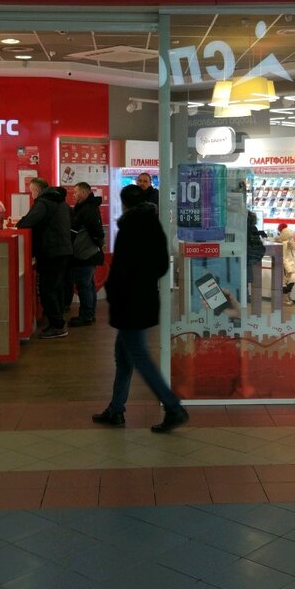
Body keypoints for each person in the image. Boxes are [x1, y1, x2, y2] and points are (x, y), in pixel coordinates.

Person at [93, 183, 189, 433]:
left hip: (129, 303)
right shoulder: (154, 225)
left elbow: (120, 269)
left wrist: (114, 291)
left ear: (124, 203)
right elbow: (162, 265)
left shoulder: (129, 228)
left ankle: (173, 407)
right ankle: (116, 409)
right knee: (124, 356)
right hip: (144, 299)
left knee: (139, 357)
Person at [17, 177, 72, 339]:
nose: (31, 195)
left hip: (50, 252)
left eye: (31, 192)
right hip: (63, 250)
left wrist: (20, 223)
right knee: (56, 288)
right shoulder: (61, 203)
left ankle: (57, 326)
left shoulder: (43, 203)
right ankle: (57, 322)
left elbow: (26, 223)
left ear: (36, 190)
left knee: (47, 290)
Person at [65, 182, 104, 327]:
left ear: (83, 193)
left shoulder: (87, 209)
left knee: (84, 286)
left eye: (75, 192)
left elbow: (96, 232)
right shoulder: (87, 208)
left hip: (85, 253)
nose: (73, 195)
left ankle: (86, 316)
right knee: (88, 285)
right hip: (87, 252)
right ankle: (89, 314)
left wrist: (97, 243)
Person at [277, 222, 295, 306]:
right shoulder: (284, 244)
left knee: (290, 280)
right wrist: (288, 268)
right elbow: (284, 257)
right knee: (288, 281)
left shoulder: (286, 243)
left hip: (289, 265)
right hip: (287, 266)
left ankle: (287, 297)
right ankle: (286, 298)